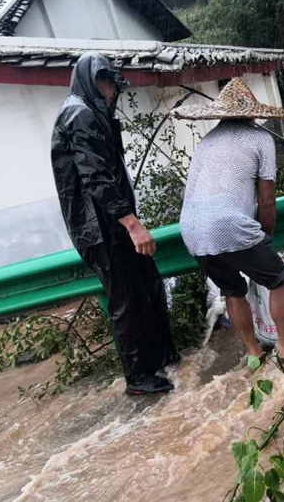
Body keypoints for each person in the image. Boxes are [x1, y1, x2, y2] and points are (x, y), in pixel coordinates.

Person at [50, 52, 177, 395]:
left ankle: (161, 357)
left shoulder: (93, 113)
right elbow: (95, 178)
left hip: (113, 224)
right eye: (104, 83)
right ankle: (138, 378)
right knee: (126, 302)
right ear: (91, 83)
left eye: (111, 83)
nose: (110, 90)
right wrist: (133, 224)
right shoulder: (80, 114)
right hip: (100, 229)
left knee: (149, 286)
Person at [174, 78, 284, 364]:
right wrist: (266, 237)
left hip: (192, 231)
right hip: (227, 224)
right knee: (279, 280)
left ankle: (254, 355)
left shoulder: (206, 142)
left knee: (232, 289)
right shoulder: (260, 139)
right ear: (253, 113)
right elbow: (267, 201)